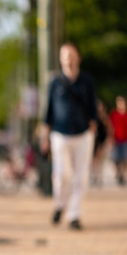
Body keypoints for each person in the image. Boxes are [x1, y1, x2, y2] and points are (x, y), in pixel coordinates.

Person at [42, 42, 97, 231]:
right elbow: (47, 112)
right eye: (65, 55)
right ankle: (60, 204)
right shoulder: (55, 82)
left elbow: (93, 107)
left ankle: (74, 215)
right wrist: (44, 137)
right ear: (60, 59)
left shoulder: (87, 81)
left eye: (72, 55)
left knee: (81, 177)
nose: (69, 59)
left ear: (78, 58)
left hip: (83, 135)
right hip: (60, 135)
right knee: (62, 174)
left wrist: (93, 126)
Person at [109, 96, 127, 186]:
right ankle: (118, 172)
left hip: (126, 139)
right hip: (116, 139)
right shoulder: (114, 114)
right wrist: (111, 138)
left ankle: (124, 175)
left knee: (125, 159)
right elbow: (111, 127)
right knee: (116, 159)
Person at [91, 99, 111, 187]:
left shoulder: (105, 118)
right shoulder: (93, 117)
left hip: (101, 141)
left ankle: (99, 176)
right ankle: (95, 176)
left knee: (101, 160)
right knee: (94, 160)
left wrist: (109, 139)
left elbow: (109, 129)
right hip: (94, 141)